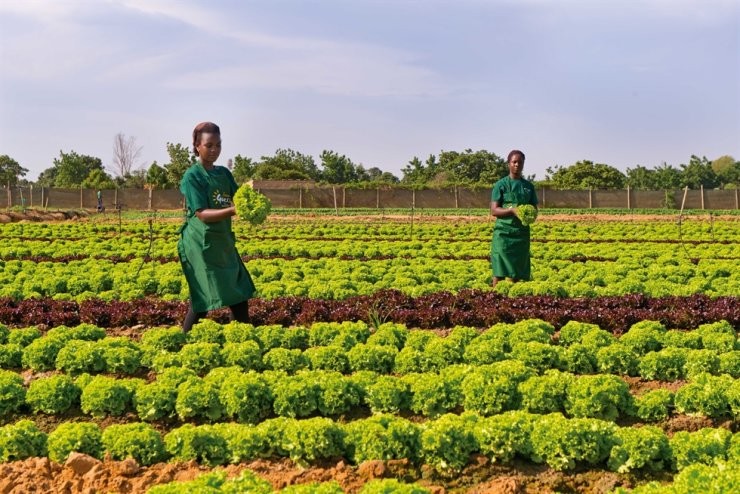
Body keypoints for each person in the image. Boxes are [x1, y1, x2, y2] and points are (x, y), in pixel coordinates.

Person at [177, 121, 255, 331]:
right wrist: (232, 211)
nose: (214, 150)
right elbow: (202, 214)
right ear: (197, 147)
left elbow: (239, 198)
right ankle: (184, 341)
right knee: (203, 296)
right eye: (209, 145)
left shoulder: (224, 174)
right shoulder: (192, 176)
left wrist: (251, 200)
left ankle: (242, 336)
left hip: (222, 242)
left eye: (218, 145)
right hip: (200, 243)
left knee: (238, 292)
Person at [490, 149, 538, 289]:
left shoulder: (528, 187)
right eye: (514, 162)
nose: (517, 164)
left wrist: (529, 215)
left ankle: (512, 302)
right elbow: (494, 210)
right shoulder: (501, 185)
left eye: (520, 162)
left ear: (523, 164)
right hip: (503, 233)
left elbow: (534, 210)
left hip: (521, 234)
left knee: (516, 271)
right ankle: (495, 298)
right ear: (509, 164)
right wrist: (512, 210)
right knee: (499, 268)